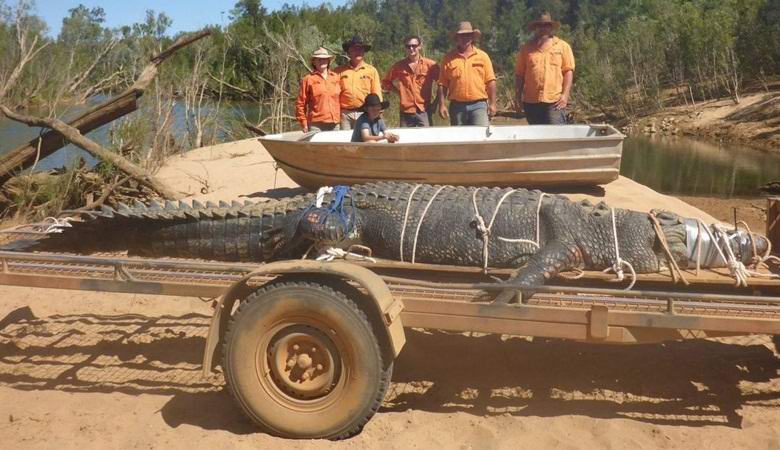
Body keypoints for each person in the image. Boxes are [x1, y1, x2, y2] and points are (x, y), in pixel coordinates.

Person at [514, 12, 575, 125]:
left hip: (555, 102)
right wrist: (517, 97)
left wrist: (565, 95)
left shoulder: (562, 46)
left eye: (546, 25)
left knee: (556, 137)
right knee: (537, 137)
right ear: (535, 28)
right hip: (531, 102)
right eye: (539, 25)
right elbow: (519, 75)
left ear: (551, 27)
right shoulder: (526, 49)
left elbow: (568, 72)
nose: (542, 28)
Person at [437, 21, 497, 126]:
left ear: (472, 37)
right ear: (457, 38)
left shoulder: (483, 56)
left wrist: (492, 103)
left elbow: (490, 81)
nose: (465, 38)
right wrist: (442, 105)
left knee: (481, 137)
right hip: (457, 107)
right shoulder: (448, 58)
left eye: (467, 35)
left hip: (479, 105)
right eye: (461, 35)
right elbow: (442, 84)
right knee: (460, 139)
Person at [382, 35, 440, 127]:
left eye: (414, 46)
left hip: (424, 109)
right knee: (406, 139)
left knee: (426, 138)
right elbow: (386, 82)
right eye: (408, 46)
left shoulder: (430, 65)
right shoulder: (398, 66)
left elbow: (442, 83)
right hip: (406, 110)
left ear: (420, 46)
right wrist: (399, 92)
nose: (411, 48)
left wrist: (436, 103)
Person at [335, 35, 383, 130]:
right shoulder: (338, 71)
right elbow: (334, 94)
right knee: (346, 142)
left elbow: (376, 92)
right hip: (345, 114)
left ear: (364, 52)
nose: (358, 52)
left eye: (360, 49)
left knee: (365, 141)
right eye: (354, 49)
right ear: (349, 52)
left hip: (365, 112)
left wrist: (379, 112)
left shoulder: (371, 70)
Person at [295, 47, 341, 132]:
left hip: (335, 124)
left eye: (324, 59)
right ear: (314, 62)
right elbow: (300, 103)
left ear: (328, 61)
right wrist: (304, 123)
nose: (322, 61)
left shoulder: (336, 77)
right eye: (319, 59)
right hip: (316, 125)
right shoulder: (308, 79)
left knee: (334, 146)